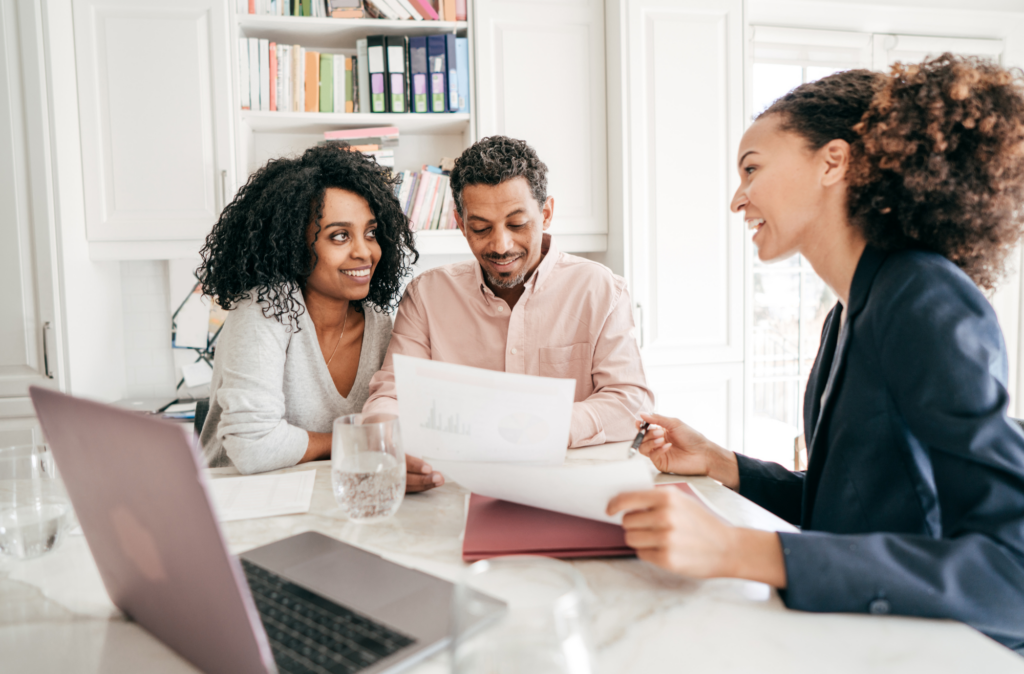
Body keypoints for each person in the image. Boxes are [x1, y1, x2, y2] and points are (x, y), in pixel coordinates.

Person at [607, 55, 1024, 653]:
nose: (737, 199)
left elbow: (1011, 573)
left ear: (834, 161)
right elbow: (851, 510)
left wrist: (734, 548)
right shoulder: (850, 312)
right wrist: (724, 464)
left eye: (751, 169)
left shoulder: (922, 295)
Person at [363, 136, 654, 487]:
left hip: (569, 487)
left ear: (545, 213)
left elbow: (629, 403)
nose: (501, 246)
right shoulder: (426, 295)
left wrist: (545, 426)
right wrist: (386, 445)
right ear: (459, 221)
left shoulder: (601, 290)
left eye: (517, 224)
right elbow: (392, 395)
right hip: (455, 486)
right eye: (481, 228)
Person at [197, 143, 436, 491]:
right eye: (339, 236)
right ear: (294, 245)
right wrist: (357, 443)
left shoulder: (380, 324)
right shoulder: (265, 309)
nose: (364, 251)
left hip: (324, 501)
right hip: (236, 506)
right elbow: (253, 447)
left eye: (370, 233)